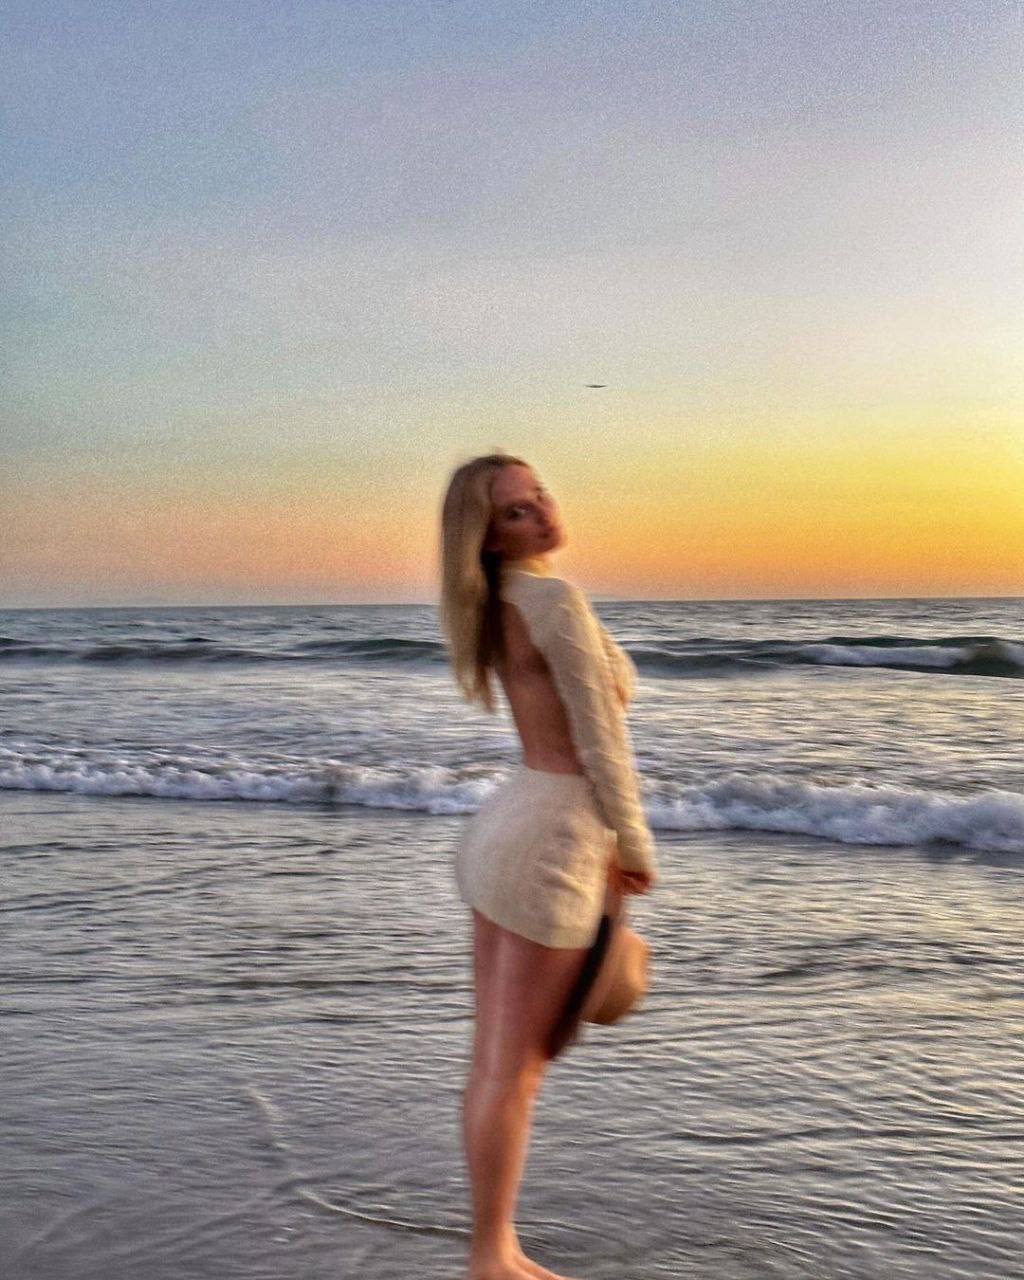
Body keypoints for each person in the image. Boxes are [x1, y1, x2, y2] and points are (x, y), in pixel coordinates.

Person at [437, 450, 658, 1280]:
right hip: (555, 842)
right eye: (517, 511)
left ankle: (492, 1249)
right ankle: (492, 1256)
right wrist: (633, 845)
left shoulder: (497, 603)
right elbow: (603, 742)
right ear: (489, 536)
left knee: (496, 1062)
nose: (543, 512)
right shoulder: (554, 601)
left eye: (540, 496)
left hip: (510, 828)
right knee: (517, 1069)